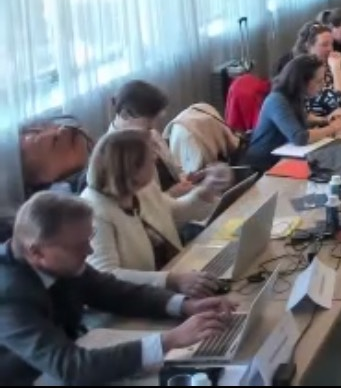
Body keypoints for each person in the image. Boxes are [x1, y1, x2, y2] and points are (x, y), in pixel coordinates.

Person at [0, 191, 233, 385]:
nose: (90, 252)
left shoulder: (57, 260)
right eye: (80, 246)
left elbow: (113, 292)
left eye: (89, 239)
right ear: (36, 252)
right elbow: (71, 367)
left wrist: (185, 305)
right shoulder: (8, 295)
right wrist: (170, 340)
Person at [81, 130, 220, 296]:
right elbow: (106, 275)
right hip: (139, 299)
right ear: (132, 168)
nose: (155, 158)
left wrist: (208, 189)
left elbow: (176, 212)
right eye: (150, 156)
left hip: (175, 279)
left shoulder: (142, 188)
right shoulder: (92, 210)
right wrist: (172, 280)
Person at [110, 81, 223, 197]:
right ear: (124, 115)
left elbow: (176, 172)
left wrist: (198, 175)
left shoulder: (150, 133)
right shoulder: (114, 156)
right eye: (148, 121)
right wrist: (171, 194)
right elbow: (138, 205)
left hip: (180, 200)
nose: (153, 126)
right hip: (166, 206)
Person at [241, 55, 341, 170]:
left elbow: (299, 120)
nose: (323, 85)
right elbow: (300, 137)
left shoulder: (295, 96)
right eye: (319, 81)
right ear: (302, 83)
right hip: (264, 164)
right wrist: (333, 128)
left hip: (285, 156)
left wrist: (325, 121)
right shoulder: (277, 100)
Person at [276, 21, 341, 116]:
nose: (330, 49)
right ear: (308, 46)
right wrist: (336, 68)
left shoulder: (324, 63)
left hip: (331, 118)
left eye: (331, 44)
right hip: (316, 122)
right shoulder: (304, 70)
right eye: (324, 45)